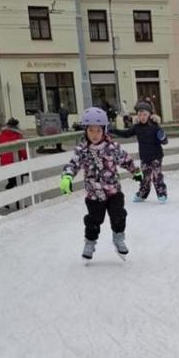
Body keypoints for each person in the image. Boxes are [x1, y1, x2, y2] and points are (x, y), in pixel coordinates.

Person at [59, 106, 142, 260]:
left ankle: (118, 238)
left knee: (118, 215)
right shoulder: (82, 150)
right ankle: (90, 242)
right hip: (94, 194)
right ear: (85, 131)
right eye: (91, 130)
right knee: (94, 220)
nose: (94, 135)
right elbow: (73, 164)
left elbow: (125, 159)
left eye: (98, 131)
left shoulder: (113, 148)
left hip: (113, 191)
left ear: (104, 130)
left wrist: (135, 171)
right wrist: (67, 177)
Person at [113, 101, 169, 203]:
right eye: (140, 114)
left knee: (157, 176)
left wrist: (163, 137)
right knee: (145, 177)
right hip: (145, 157)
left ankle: (161, 193)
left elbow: (165, 141)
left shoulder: (155, 126)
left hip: (156, 156)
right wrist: (113, 130)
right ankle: (142, 194)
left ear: (149, 115)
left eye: (145, 114)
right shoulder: (137, 127)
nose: (142, 117)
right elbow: (126, 134)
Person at [0, 117, 28, 207]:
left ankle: (6, 200)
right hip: (16, 162)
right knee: (18, 183)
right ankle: (19, 204)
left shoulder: (1, 135)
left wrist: (3, 157)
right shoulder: (17, 136)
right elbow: (22, 150)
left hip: (5, 163)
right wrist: (26, 159)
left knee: (11, 182)